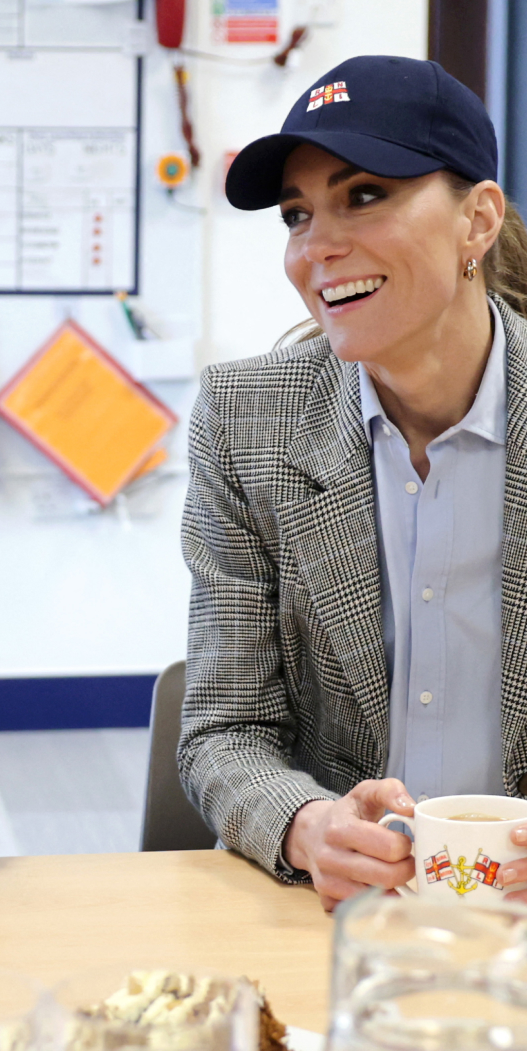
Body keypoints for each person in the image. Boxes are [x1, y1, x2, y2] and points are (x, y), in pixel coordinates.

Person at [178, 54, 527, 911]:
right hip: (340, 921)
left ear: (477, 221)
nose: (317, 247)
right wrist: (309, 825)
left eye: (363, 195)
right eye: (298, 214)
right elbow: (225, 731)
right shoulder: (245, 420)